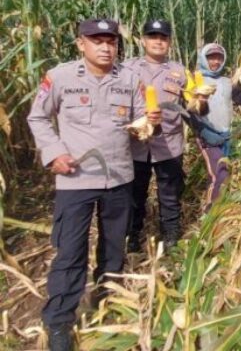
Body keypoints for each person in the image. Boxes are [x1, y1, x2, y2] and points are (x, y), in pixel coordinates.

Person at [27, 18, 161, 351]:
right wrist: (54, 152)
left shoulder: (130, 80)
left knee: (114, 249)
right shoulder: (61, 78)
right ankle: (59, 322)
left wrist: (150, 123)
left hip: (119, 177)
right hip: (75, 179)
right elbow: (38, 117)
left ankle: (108, 302)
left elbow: (144, 123)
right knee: (70, 252)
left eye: (111, 41)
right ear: (80, 44)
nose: (105, 47)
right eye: (97, 40)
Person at [122, 20, 186, 252]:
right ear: (143, 40)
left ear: (169, 42)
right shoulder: (126, 69)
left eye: (163, 37)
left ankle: (170, 238)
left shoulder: (179, 72)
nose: (158, 41)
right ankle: (133, 237)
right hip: (136, 144)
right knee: (135, 194)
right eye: (152, 36)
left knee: (170, 195)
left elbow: (190, 108)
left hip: (169, 143)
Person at [189, 43, 241, 212]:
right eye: (211, 57)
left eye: (219, 57)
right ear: (203, 59)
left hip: (226, 135)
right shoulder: (195, 80)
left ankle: (222, 206)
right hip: (207, 136)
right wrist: (203, 131)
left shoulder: (226, 81)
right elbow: (189, 111)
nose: (215, 61)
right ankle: (210, 212)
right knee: (219, 174)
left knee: (222, 172)